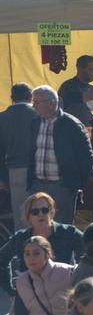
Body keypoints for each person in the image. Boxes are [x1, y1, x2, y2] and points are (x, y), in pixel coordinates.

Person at [27, 86, 93, 226]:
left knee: (61, 229)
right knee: (39, 227)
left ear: (51, 103)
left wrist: (75, 185)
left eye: (37, 102)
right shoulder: (35, 123)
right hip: (38, 184)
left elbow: (86, 157)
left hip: (62, 187)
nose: (33, 106)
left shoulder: (72, 125)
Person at [0, 194, 84, 298]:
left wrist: (78, 283)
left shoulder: (68, 232)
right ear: (28, 217)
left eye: (45, 210)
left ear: (52, 212)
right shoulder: (21, 238)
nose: (41, 214)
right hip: (30, 295)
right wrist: (11, 292)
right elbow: (2, 260)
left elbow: (91, 253)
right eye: (35, 212)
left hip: (63, 295)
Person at [0, 84, 36, 229]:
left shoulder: (2, 118)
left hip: (14, 170)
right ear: (30, 97)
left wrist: (2, 177)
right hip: (39, 169)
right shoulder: (38, 114)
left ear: (12, 98)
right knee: (40, 211)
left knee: (20, 215)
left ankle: (24, 248)